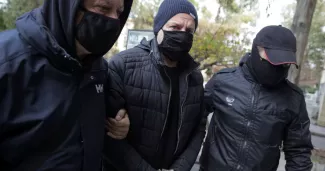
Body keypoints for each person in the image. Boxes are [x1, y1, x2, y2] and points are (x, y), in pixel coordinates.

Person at [0, 0, 132, 170]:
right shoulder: (7, 63)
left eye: (119, 13)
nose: (114, 20)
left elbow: (102, 113)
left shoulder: (99, 68)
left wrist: (120, 121)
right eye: (103, 8)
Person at [102, 0, 207, 170]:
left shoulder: (194, 76)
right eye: (175, 27)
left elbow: (199, 129)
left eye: (189, 31)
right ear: (158, 28)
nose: (183, 34)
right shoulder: (123, 65)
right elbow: (109, 133)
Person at [200, 25, 314, 171]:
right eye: (273, 59)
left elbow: (299, 153)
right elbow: (193, 120)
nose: (278, 66)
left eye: (285, 63)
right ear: (256, 50)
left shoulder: (294, 98)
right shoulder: (222, 81)